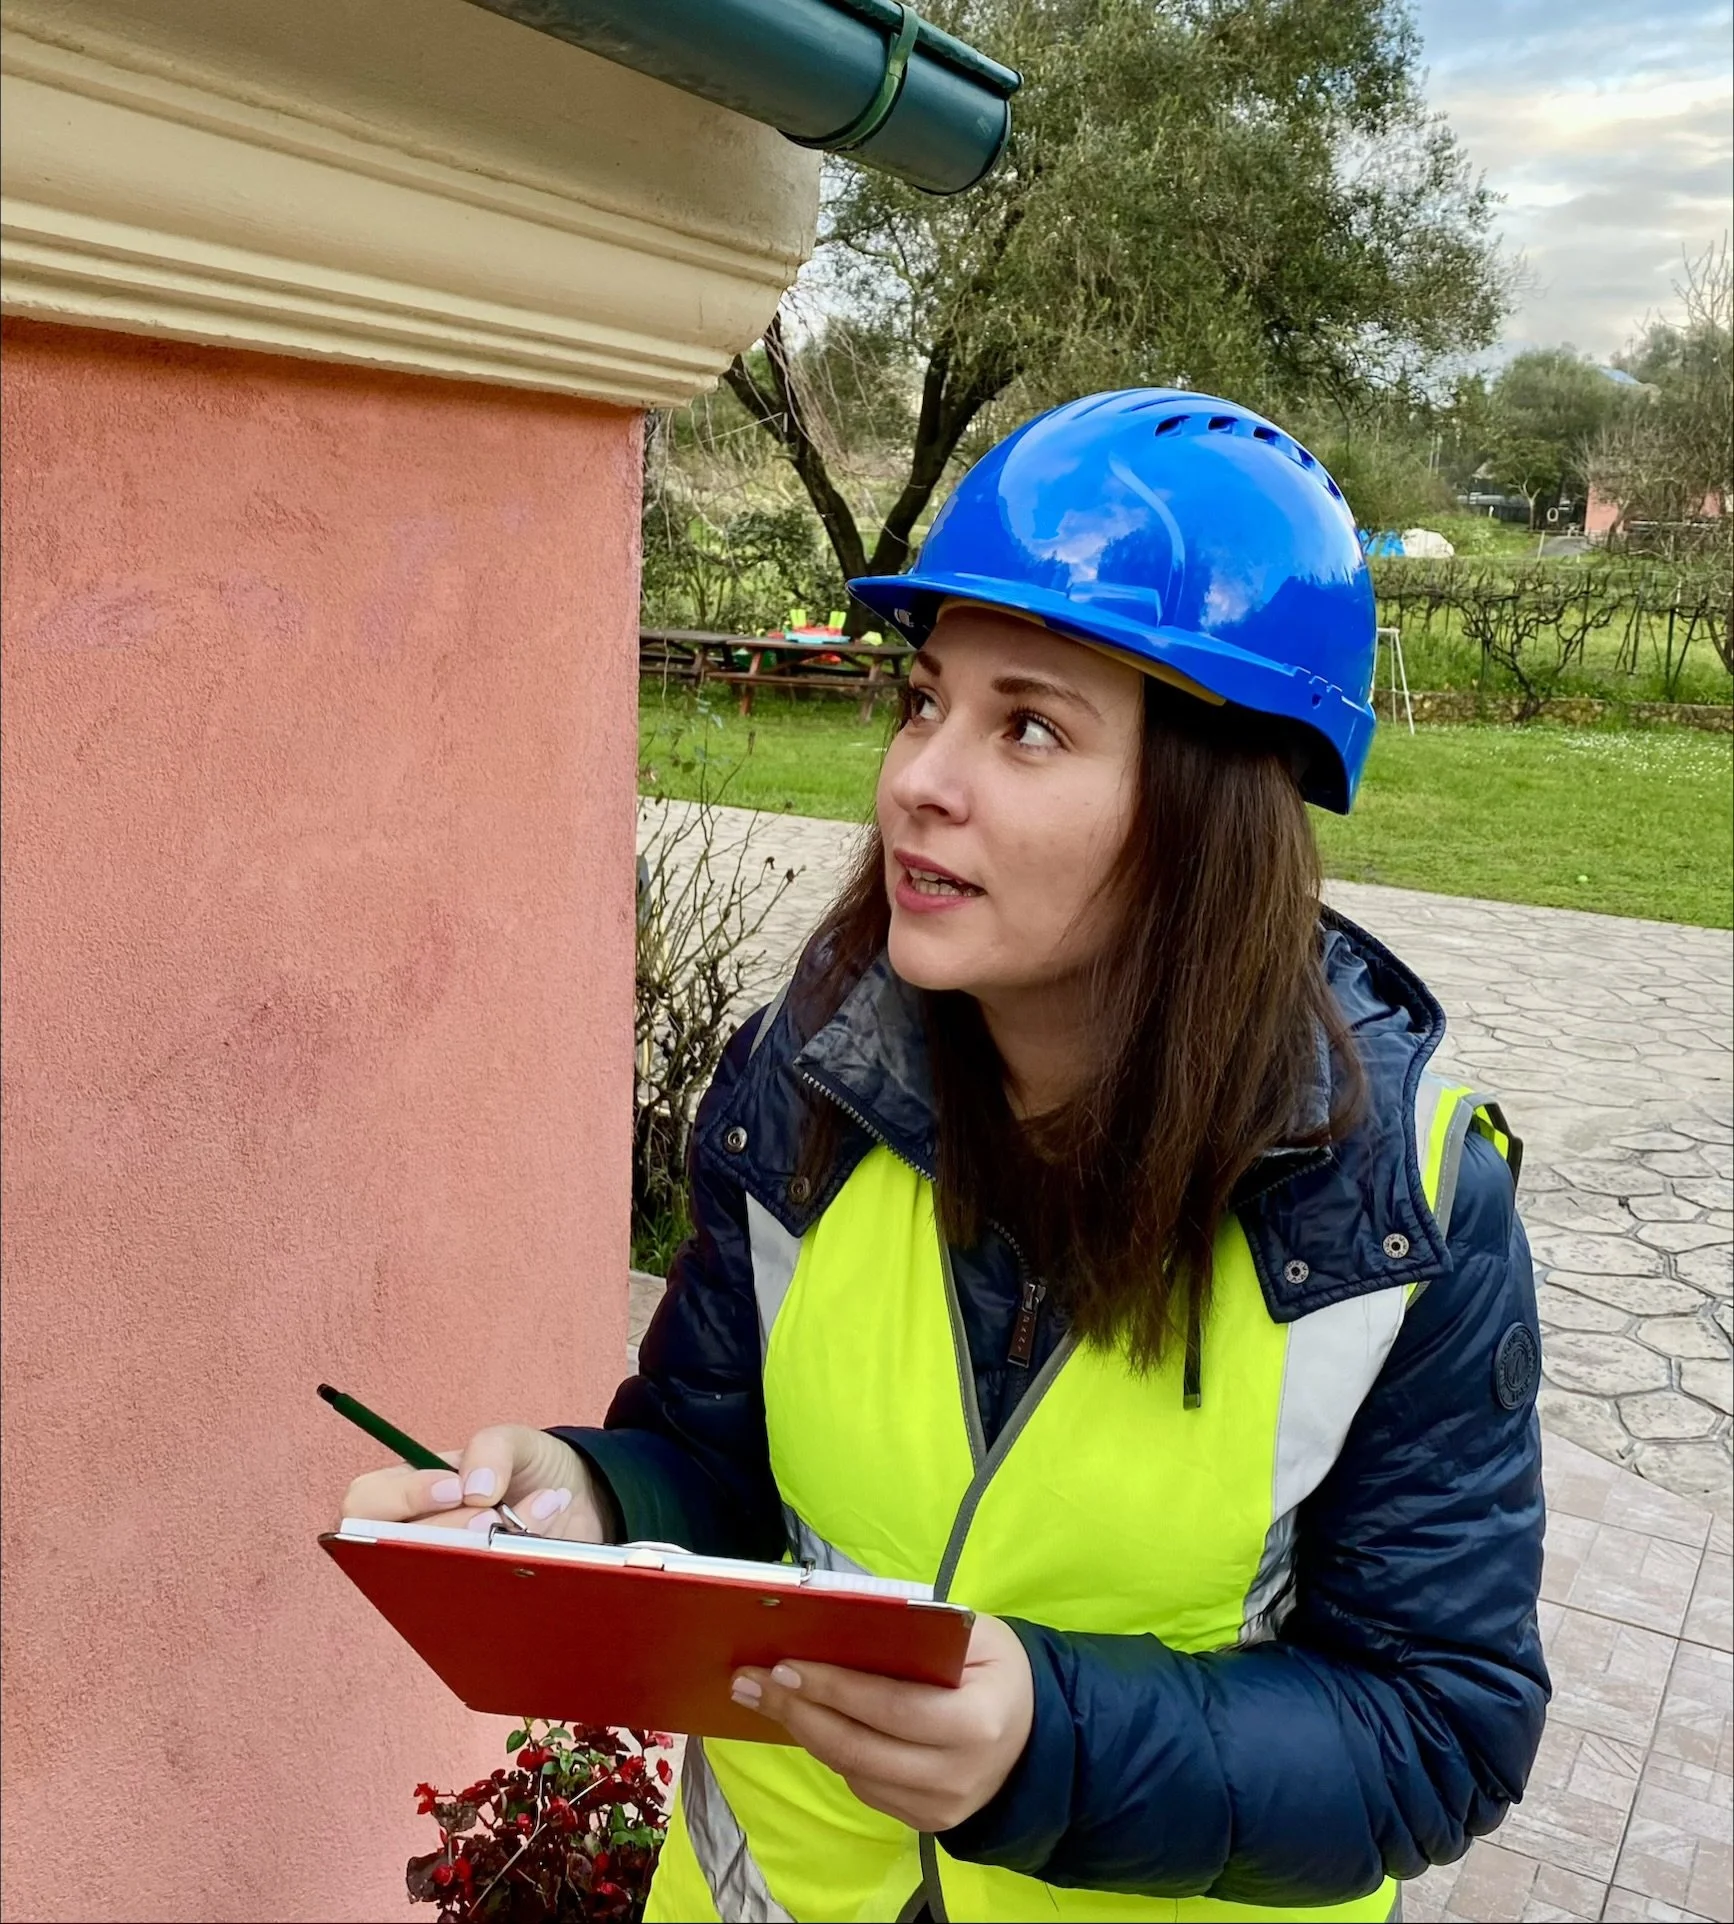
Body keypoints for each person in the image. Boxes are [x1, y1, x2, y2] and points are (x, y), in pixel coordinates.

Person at [341, 391, 1549, 1922]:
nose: (918, 775)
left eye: (1027, 725)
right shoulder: (806, 1088)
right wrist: (590, 1505)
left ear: (1209, 812)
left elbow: (1438, 1728)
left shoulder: (1402, 1210)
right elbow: (721, 1473)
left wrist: (1049, 1743)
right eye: (923, 700)